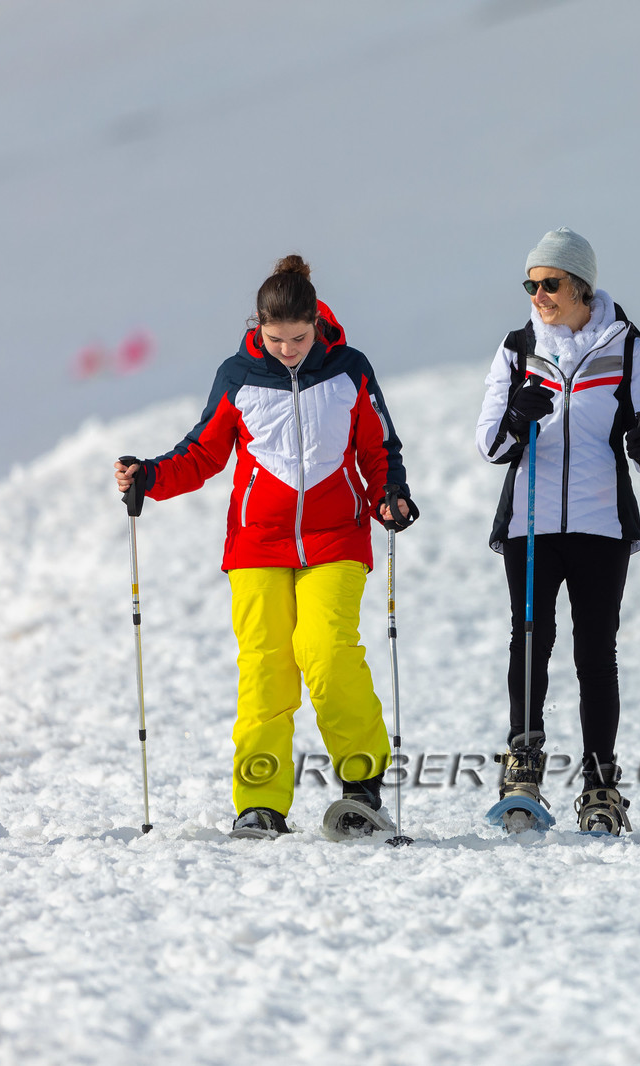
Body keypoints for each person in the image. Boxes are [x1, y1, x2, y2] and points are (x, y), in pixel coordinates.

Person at [113, 256, 418, 841]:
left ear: (316, 323)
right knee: (265, 671)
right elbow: (202, 451)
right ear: (259, 327)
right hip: (257, 544)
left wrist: (391, 495)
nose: (287, 350)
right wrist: (149, 474)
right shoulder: (239, 373)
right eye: (275, 339)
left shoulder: (349, 370)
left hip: (336, 538)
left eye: (298, 338)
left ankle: (362, 785)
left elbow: (379, 448)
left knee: (326, 652)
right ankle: (261, 803)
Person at [476, 227, 640, 836]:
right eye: (531, 284)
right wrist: (517, 416)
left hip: (600, 522)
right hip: (530, 524)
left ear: (581, 286)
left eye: (550, 283)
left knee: (596, 652)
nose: (538, 294)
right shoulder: (516, 348)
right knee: (529, 640)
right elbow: (490, 444)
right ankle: (523, 766)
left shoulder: (625, 343)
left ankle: (601, 781)